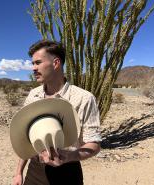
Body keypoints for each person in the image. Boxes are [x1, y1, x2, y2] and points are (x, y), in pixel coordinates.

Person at [12, 40, 101, 185]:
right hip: (35, 170)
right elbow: (26, 140)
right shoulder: (33, 95)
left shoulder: (83, 98)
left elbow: (94, 144)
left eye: (38, 62)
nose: (33, 68)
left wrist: (69, 156)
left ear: (56, 63)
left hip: (68, 171)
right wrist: (18, 173)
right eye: (33, 63)